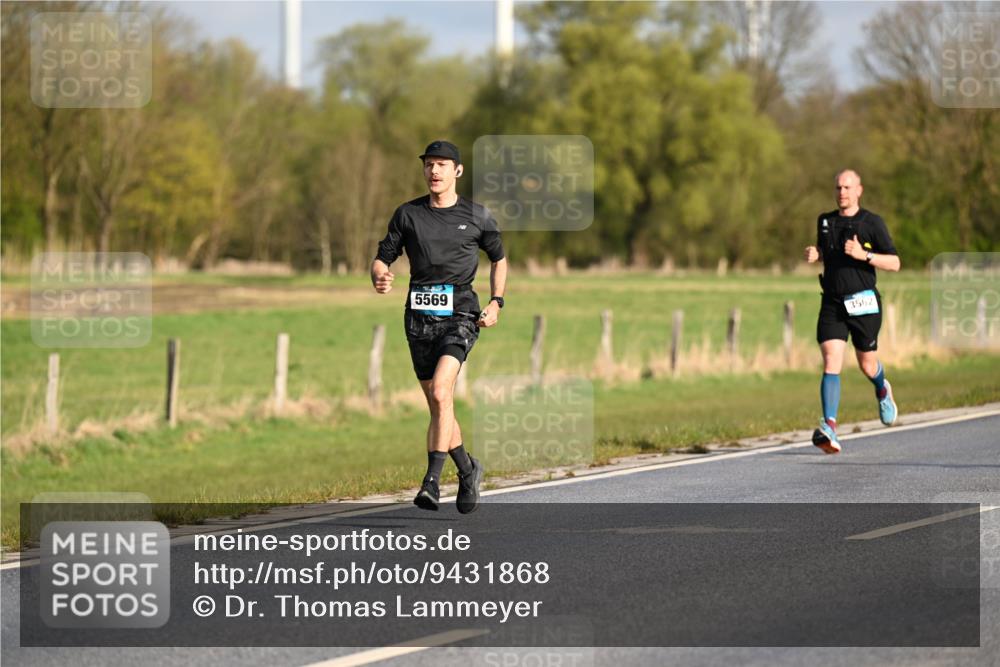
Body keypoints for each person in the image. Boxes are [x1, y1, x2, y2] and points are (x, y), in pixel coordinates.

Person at [371, 140, 508, 511]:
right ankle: (468, 469)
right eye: (429, 165)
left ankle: (431, 482)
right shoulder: (407, 214)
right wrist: (380, 276)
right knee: (439, 403)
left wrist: (496, 301)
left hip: (461, 313)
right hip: (418, 317)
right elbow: (382, 259)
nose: (434, 171)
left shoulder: (479, 216)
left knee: (442, 392)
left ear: (457, 171)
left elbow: (499, 259)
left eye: (442, 165)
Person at [804, 169, 900, 454]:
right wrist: (817, 255)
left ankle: (882, 388)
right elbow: (828, 252)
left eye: (847, 187)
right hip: (832, 302)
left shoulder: (872, 223)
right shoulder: (825, 221)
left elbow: (895, 263)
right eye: (838, 188)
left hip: (864, 303)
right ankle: (829, 427)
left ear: (859, 190)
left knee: (866, 364)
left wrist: (864, 255)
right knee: (831, 359)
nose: (842, 192)